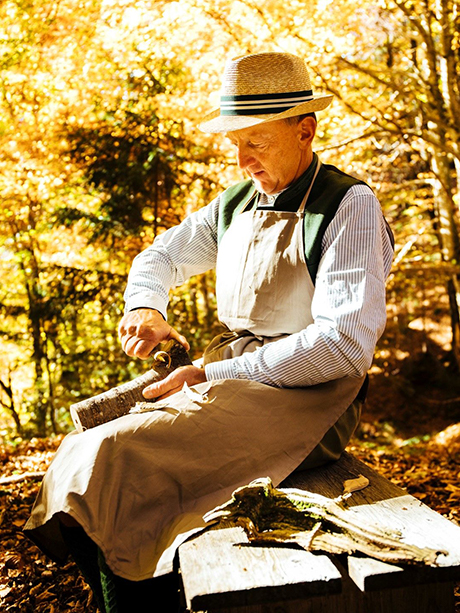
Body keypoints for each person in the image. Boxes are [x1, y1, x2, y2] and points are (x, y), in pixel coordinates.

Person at [25, 52, 394, 612]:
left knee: (117, 457)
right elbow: (159, 258)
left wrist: (214, 370)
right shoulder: (237, 204)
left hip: (312, 403)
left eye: (256, 142)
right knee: (83, 449)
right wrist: (145, 307)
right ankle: (138, 593)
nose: (243, 159)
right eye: (235, 143)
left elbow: (343, 346)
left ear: (306, 130)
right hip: (234, 380)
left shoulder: (347, 206)